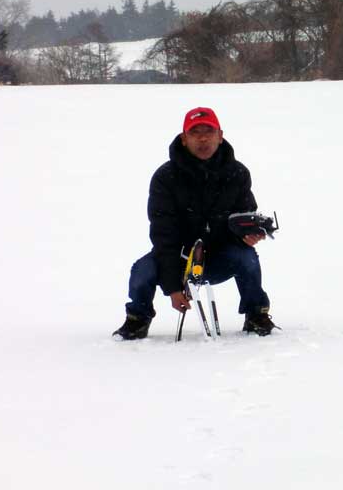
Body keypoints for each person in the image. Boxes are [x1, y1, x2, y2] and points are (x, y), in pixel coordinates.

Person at [114, 107, 275, 340]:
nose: (202, 139)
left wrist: (249, 235)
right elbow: (163, 236)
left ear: (220, 136)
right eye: (195, 132)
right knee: (142, 270)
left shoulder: (238, 173)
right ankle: (137, 319)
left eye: (209, 131)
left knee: (247, 258)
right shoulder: (165, 178)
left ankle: (256, 315)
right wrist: (173, 287)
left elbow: (245, 217)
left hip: (220, 256)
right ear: (184, 138)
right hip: (178, 258)